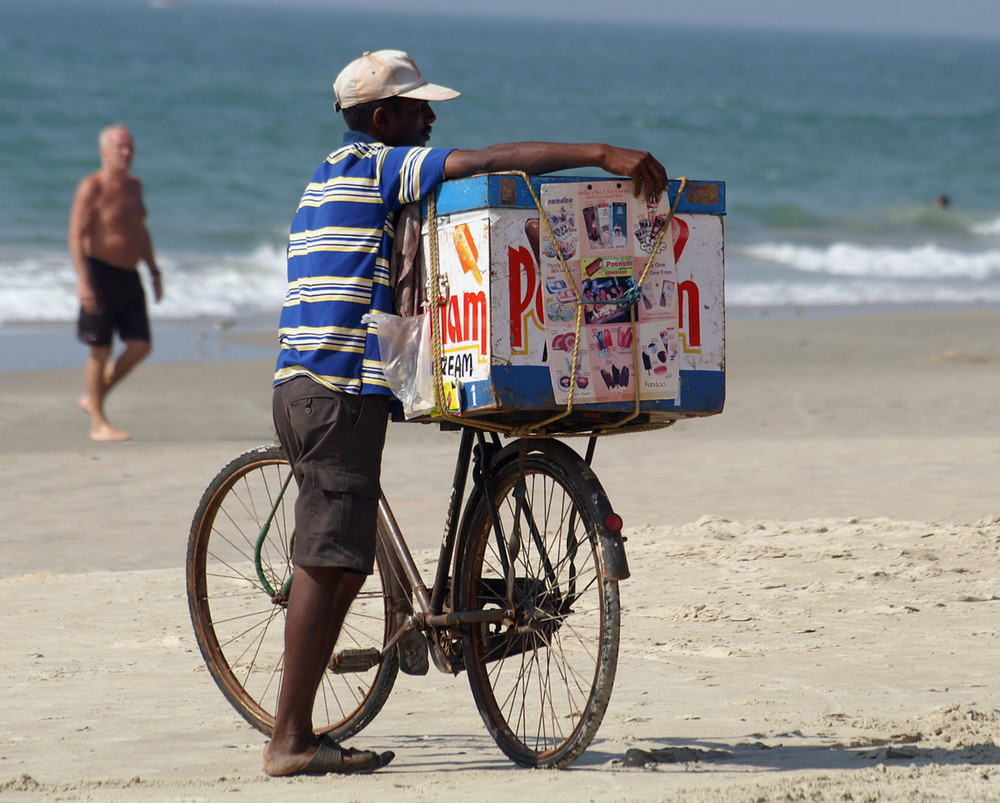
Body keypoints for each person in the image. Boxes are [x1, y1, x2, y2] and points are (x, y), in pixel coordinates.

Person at [265, 49, 668, 777]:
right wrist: (600, 153)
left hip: (300, 388)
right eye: (419, 109)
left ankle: (309, 713)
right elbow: (484, 164)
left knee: (343, 552)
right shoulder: (379, 165)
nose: (432, 119)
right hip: (335, 392)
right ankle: (289, 739)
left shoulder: (321, 181)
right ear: (383, 120)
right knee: (327, 562)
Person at [68, 124, 163, 442]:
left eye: (129, 147)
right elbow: (75, 237)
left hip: (130, 276)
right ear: (103, 152)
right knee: (101, 349)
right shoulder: (91, 187)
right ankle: (98, 423)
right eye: (119, 147)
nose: (126, 153)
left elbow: (141, 231)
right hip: (99, 274)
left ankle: (92, 398)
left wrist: (154, 271)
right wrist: (83, 282)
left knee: (140, 346)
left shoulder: (135, 186)